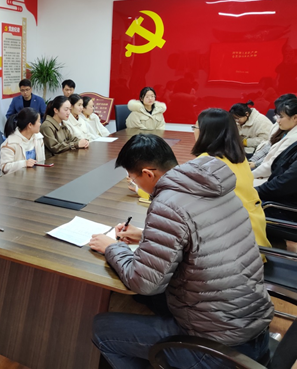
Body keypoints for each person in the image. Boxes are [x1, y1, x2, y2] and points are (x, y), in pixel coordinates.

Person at [89, 134, 273, 368]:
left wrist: (112, 247)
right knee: (149, 299)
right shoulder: (214, 186)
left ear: (148, 174)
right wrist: (145, 235)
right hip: (252, 327)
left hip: (216, 348)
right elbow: (201, 237)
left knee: (101, 328)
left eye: (133, 179)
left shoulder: (168, 203)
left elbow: (144, 283)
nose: (135, 185)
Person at [191, 108, 270, 251]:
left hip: (233, 246)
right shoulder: (239, 158)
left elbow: (180, 200)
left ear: (205, 132)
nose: (194, 131)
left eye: (195, 127)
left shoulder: (204, 164)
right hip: (255, 236)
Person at [253, 98, 297, 184]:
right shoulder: (285, 129)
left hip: (274, 179)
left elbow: (273, 164)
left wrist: (250, 173)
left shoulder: (293, 138)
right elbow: (268, 146)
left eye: (281, 117)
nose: (277, 120)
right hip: (267, 173)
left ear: (295, 117)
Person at [0, 108, 45, 174]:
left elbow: (42, 161)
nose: (40, 124)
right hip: (15, 179)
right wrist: (24, 163)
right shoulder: (10, 143)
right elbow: (5, 167)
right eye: (38, 121)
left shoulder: (38, 138)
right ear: (30, 125)